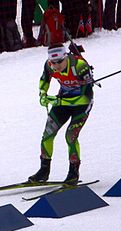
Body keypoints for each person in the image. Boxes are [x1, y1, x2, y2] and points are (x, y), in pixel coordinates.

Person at [28, 44, 93, 185]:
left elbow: (87, 97)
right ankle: (44, 171)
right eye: (53, 62)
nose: (56, 66)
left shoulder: (80, 66)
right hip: (62, 103)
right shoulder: (49, 65)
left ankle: (73, 173)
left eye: (59, 62)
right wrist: (43, 94)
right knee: (47, 135)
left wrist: (59, 100)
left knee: (70, 136)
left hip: (81, 105)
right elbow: (44, 80)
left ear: (66, 57)